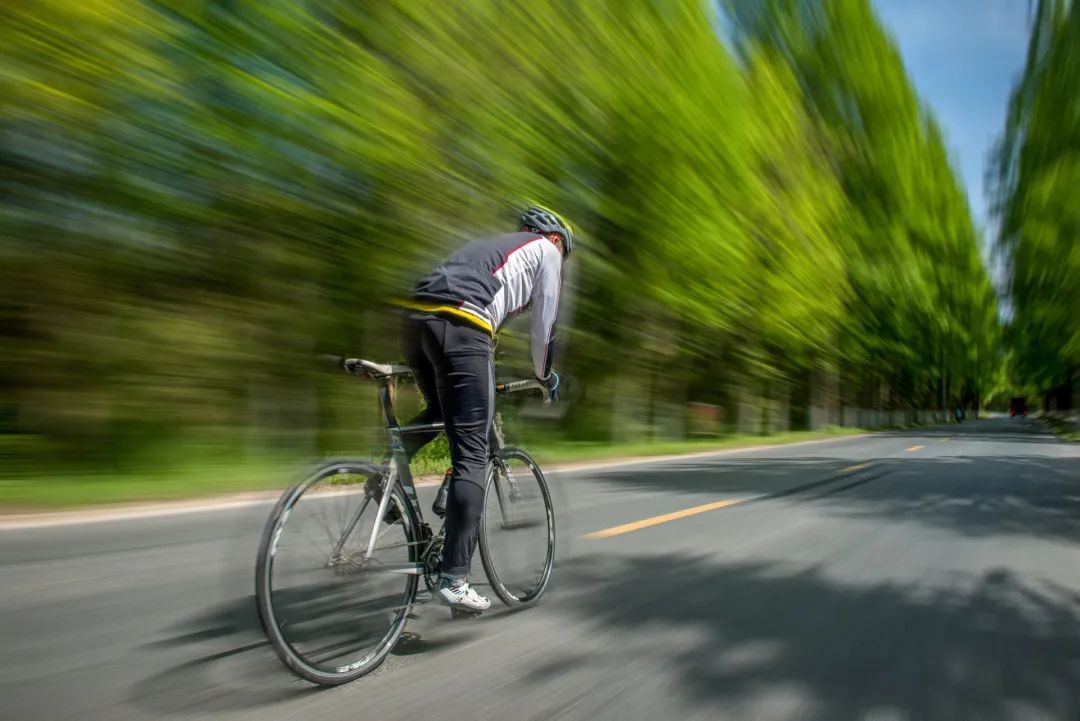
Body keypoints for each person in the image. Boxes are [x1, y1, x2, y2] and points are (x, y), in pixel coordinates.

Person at [399, 205, 573, 612]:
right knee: (473, 454)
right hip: (462, 326)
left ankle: (384, 479)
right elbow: (543, 331)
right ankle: (455, 577)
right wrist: (546, 375)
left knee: (444, 413)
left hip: (414, 319)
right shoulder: (546, 252)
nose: (560, 260)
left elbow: (489, 314)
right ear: (555, 240)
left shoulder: (493, 252)